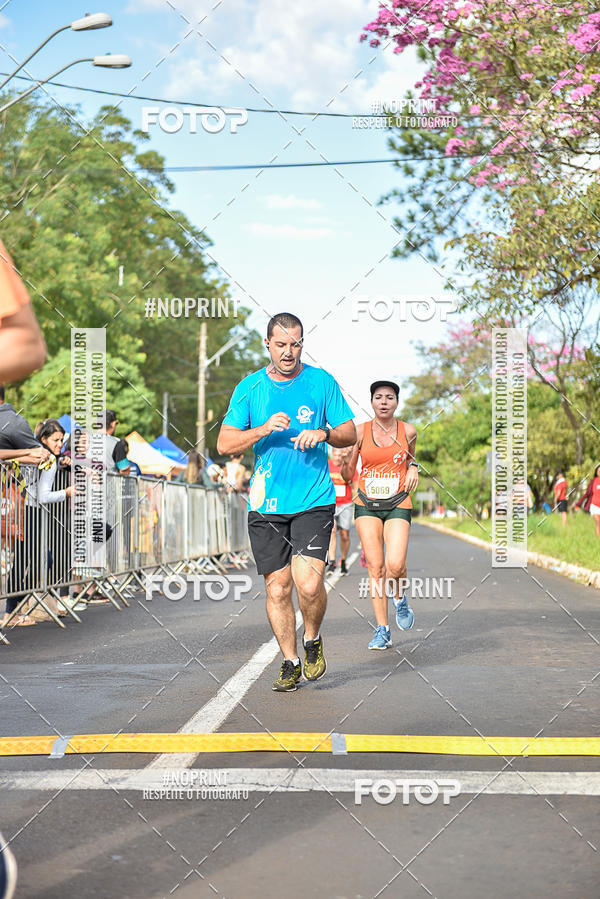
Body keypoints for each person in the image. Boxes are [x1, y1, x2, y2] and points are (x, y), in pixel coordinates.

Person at [217, 312, 356, 691]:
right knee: (277, 587)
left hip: (313, 498)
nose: (289, 352)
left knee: (308, 585)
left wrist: (323, 432)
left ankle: (312, 639)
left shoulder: (320, 382)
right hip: (265, 504)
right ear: (267, 345)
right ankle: (290, 661)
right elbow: (224, 443)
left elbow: (349, 432)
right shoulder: (250, 388)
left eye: (296, 344)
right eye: (281, 344)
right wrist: (261, 430)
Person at [341, 380, 419, 650]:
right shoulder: (360, 432)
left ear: (397, 402)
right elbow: (347, 475)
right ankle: (383, 630)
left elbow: (410, 458)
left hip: (398, 501)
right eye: (378, 397)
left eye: (389, 397)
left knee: (395, 566)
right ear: (372, 402)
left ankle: (400, 598)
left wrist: (413, 468)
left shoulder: (408, 431)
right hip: (366, 503)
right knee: (376, 568)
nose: (384, 401)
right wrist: (350, 455)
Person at [327, 447, 356, 575]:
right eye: (336, 455)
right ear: (332, 454)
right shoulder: (326, 465)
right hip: (331, 504)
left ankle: (343, 560)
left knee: (344, 534)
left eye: (340, 455)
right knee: (332, 531)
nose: (338, 458)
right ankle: (332, 562)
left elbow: (356, 485)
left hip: (345, 504)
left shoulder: (348, 466)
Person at [575, 464, 600, 539]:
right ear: (596, 472)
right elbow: (587, 494)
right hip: (594, 505)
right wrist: (578, 504)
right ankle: (598, 538)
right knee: (597, 522)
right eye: (599, 470)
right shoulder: (593, 481)